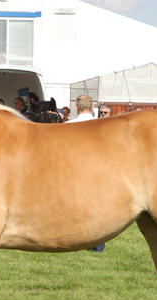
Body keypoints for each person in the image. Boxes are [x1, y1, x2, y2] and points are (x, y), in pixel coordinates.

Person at [67, 94, 104, 253]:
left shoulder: (68, 126)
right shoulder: (102, 125)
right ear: (92, 107)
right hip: (98, 168)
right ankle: (98, 242)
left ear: (76, 107)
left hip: (74, 169)